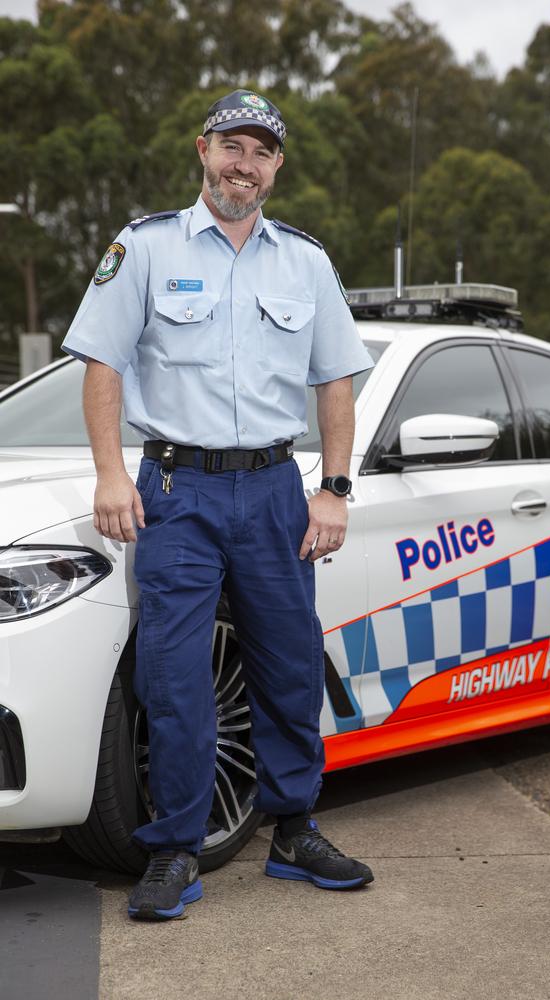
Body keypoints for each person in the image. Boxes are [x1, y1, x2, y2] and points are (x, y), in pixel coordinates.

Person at [62, 89, 375, 920]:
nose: (246, 164)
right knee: (174, 677)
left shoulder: (304, 261)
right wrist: (109, 474)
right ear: (203, 150)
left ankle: (296, 832)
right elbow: (101, 363)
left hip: (276, 491)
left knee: (287, 663)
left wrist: (334, 488)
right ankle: (174, 850)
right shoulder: (146, 248)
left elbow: (336, 379)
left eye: (262, 152)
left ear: (277, 167)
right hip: (177, 490)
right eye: (233, 146)